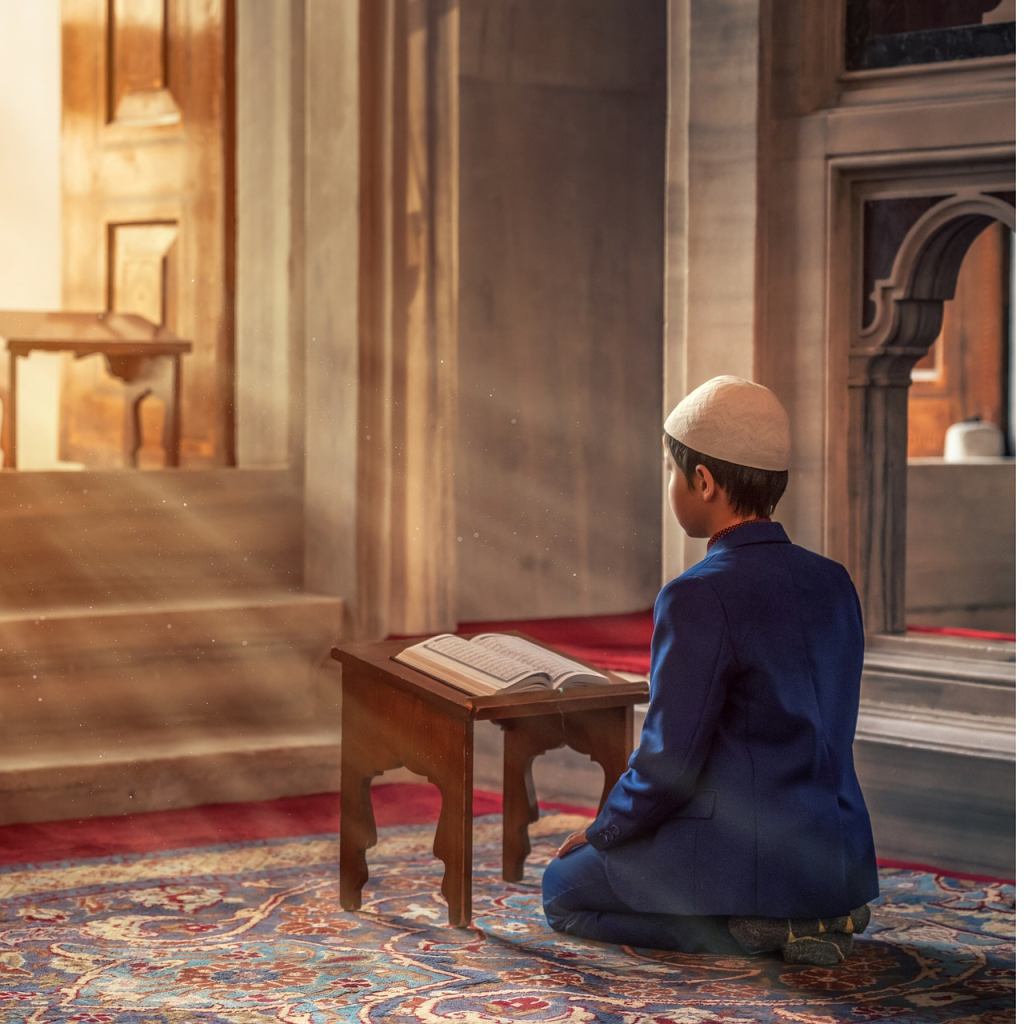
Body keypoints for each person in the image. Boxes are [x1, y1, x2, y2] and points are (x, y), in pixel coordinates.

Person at [542, 376, 878, 966]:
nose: (671, 486)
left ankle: (743, 926)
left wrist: (604, 832)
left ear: (703, 481)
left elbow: (669, 763)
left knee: (562, 891)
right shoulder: (833, 580)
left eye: (673, 472)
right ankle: (815, 911)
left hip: (742, 854)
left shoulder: (698, 595)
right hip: (834, 853)